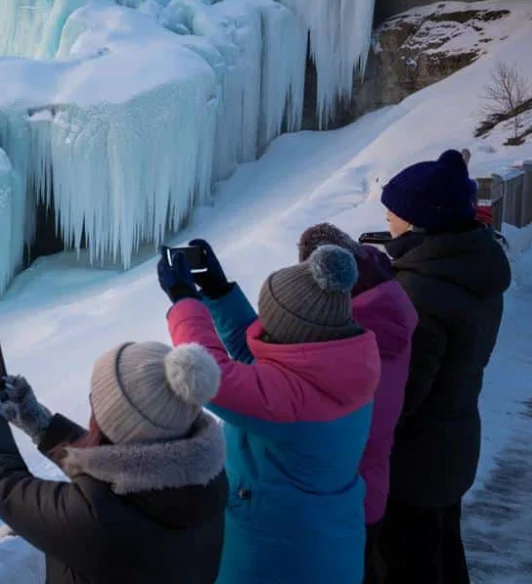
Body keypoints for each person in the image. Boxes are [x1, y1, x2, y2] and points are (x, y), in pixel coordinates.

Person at [159, 243, 380, 584]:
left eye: (268, 319)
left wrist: (184, 301)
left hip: (278, 556)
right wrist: (219, 293)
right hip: (328, 543)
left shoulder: (291, 402)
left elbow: (206, 375)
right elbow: (261, 367)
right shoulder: (346, 364)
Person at [0, 339, 228, 583]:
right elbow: (121, 464)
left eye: (95, 402)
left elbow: (5, 486)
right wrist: (39, 422)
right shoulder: (206, 479)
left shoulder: (97, 521)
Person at [376, 149, 512, 584]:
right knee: (443, 554)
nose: (387, 220)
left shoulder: (421, 293)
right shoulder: (473, 266)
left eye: (393, 212)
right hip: (450, 445)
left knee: (408, 565)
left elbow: (401, 395)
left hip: (412, 464)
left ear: (420, 222)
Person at [297, 224, 419, 583]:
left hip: (339, 502)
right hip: (370, 493)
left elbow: (270, 393)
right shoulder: (386, 311)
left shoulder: (352, 340)